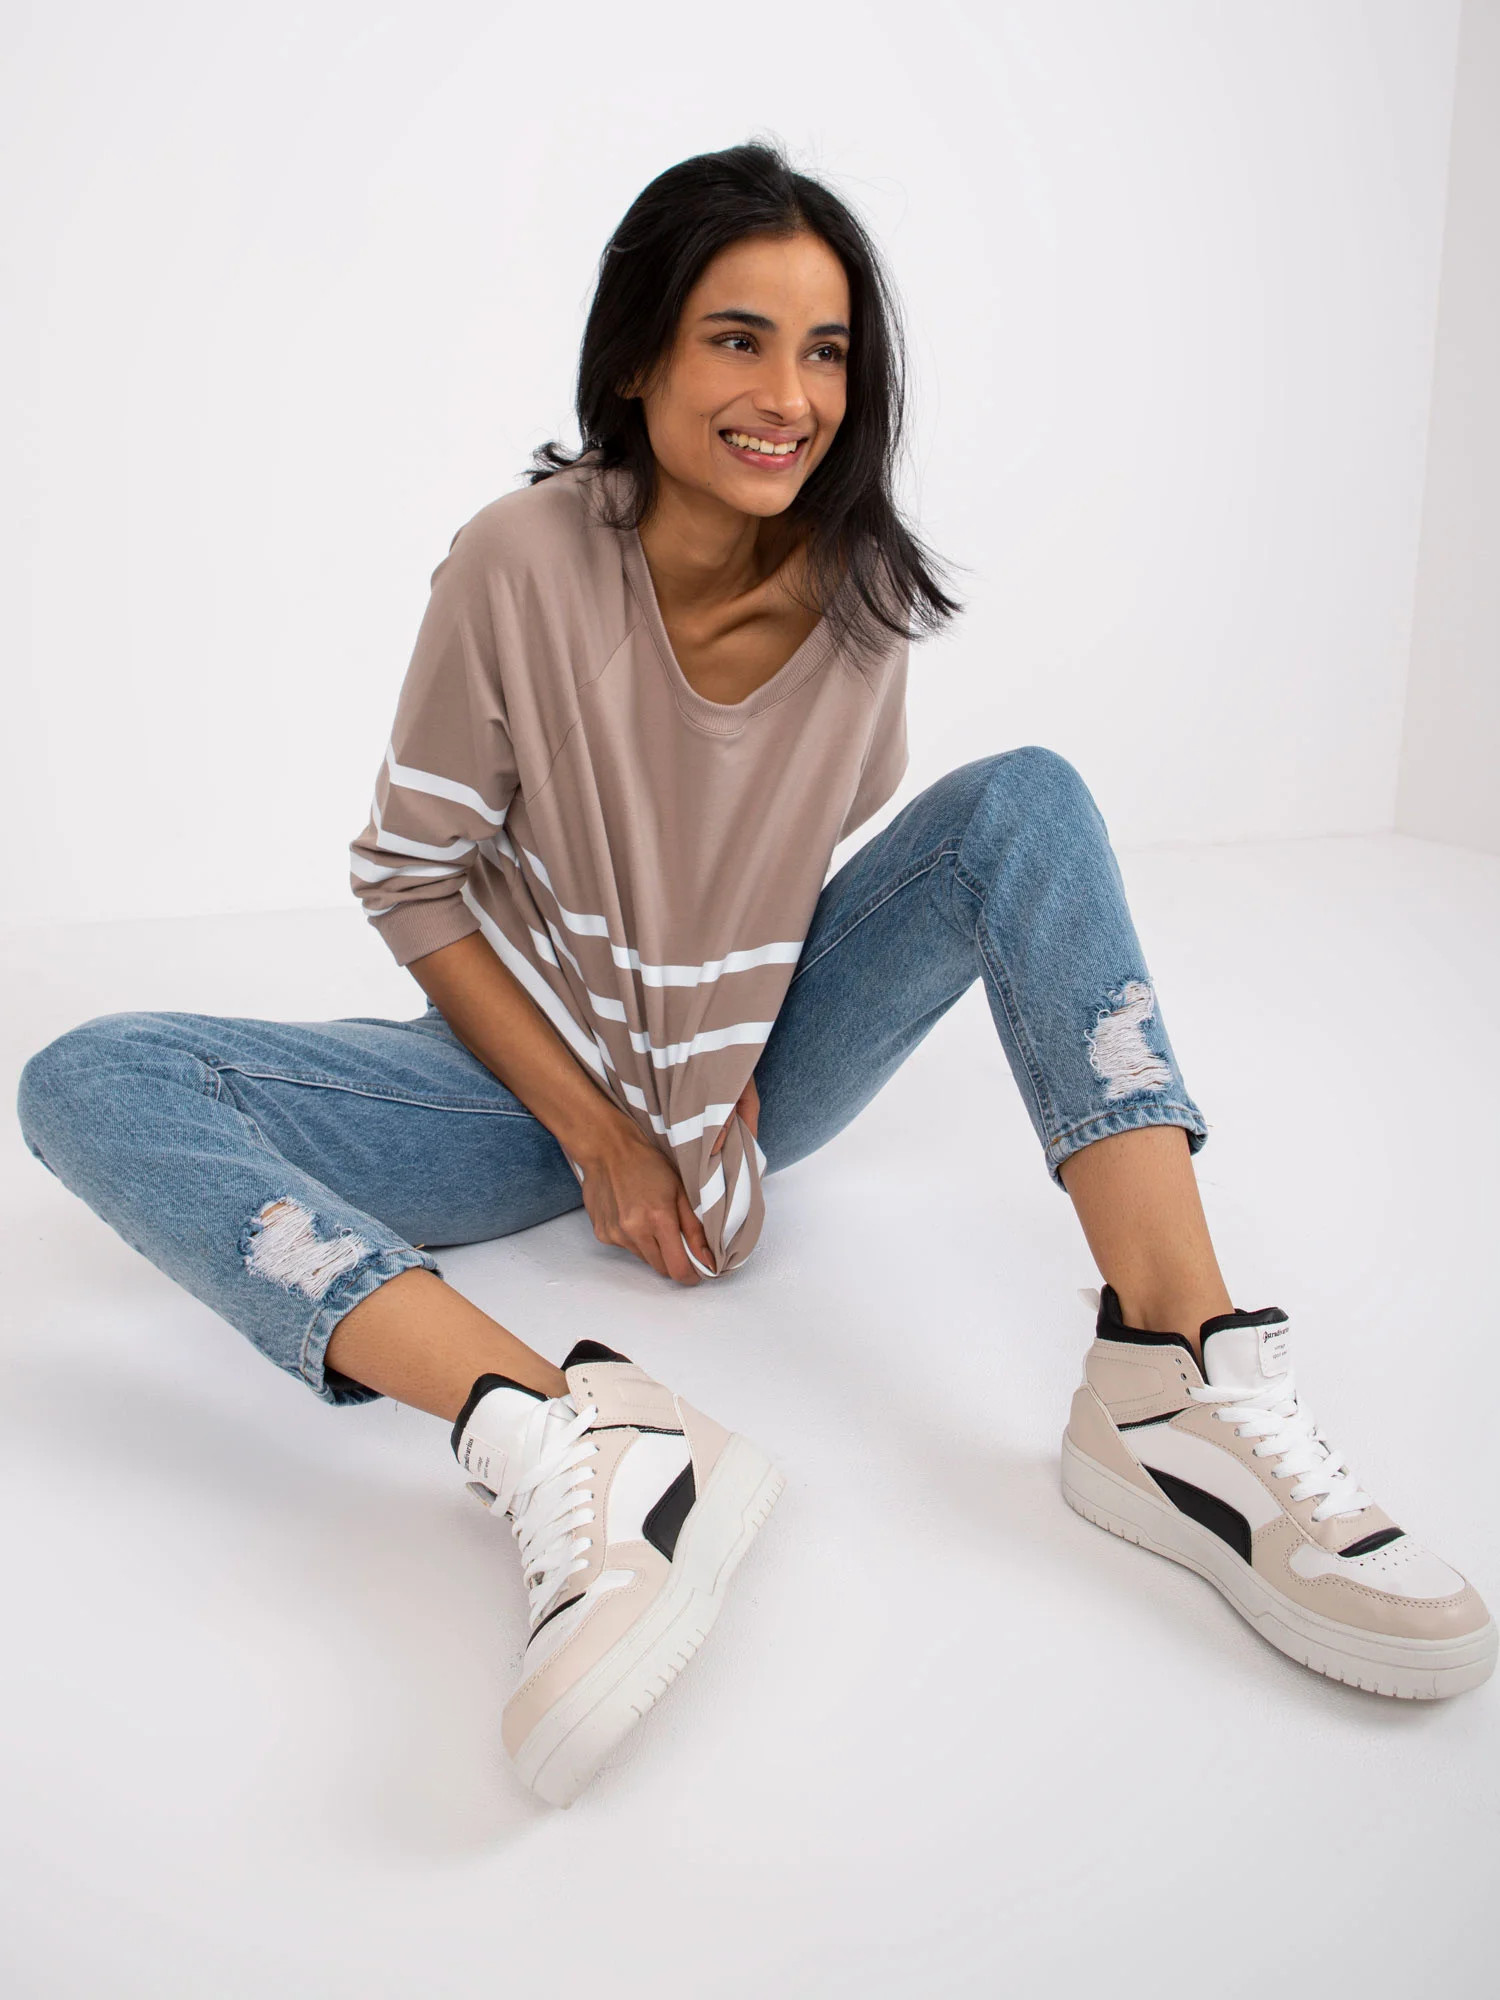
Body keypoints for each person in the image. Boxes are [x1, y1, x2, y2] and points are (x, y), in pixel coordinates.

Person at [16, 142, 1493, 1808]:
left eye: (826, 350)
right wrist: (606, 1134)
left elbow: (771, 886)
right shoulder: (517, 564)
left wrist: (711, 1099)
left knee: (1025, 802)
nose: (788, 396)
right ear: (637, 357)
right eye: (737, 339)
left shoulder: (864, 600)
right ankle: (561, 1429)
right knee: (88, 1079)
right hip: (523, 1089)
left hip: (758, 1069)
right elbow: (410, 875)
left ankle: (1172, 1376)